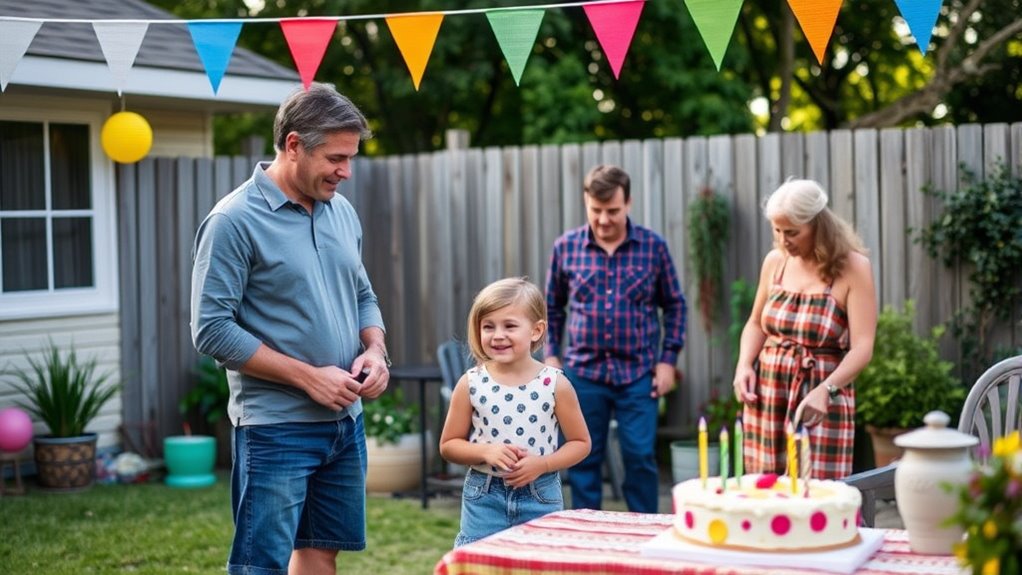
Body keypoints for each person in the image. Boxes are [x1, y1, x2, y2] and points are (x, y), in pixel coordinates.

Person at [190, 83, 391, 575]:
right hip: (276, 428)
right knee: (261, 564)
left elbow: (362, 294)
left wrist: (375, 349)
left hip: (345, 423)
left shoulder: (341, 210)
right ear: (295, 144)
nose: (346, 171)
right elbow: (211, 329)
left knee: (322, 549)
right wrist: (308, 377)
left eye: (350, 158)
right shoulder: (232, 221)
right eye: (336, 158)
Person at [544, 164, 687, 513]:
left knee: (639, 456)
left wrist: (668, 361)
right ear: (586, 203)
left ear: (629, 203)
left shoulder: (653, 247)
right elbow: (551, 306)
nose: (604, 219)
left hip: (637, 375)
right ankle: (588, 537)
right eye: (596, 211)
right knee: (583, 459)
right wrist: (551, 356)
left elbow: (675, 306)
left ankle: (643, 537)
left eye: (613, 211)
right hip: (581, 374)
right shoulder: (566, 248)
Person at [733, 178, 877, 480]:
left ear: (817, 226)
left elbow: (863, 346)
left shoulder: (853, 268)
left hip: (819, 399)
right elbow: (756, 323)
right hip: (768, 394)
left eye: (792, 232)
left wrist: (827, 390)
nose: (783, 241)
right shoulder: (775, 262)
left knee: (816, 497)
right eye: (777, 231)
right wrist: (745, 364)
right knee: (764, 492)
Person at [439, 277, 591, 547]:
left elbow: (581, 443)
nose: (498, 335)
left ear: (536, 330)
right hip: (483, 495)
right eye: (488, 326)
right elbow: (449, 445)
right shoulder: (471, 383)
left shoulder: (555, 384)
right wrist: (485, 451)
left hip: (540, 493)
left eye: (509, 325)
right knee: (480, 564)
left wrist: (543, 464)